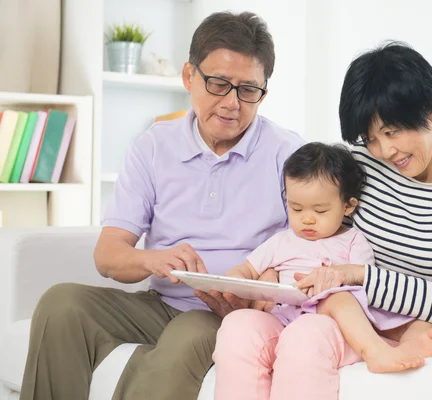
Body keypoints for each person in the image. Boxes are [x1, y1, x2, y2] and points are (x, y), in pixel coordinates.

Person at [19, 11, 304, 400]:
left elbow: (311, 246)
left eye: (248, 90)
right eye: (219, 84)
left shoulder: (289, 154)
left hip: (231, 315)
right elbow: (108, 256)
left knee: (187, 334)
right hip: (160, 302)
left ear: (263, 93)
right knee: (62, 303)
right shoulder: (153, 147)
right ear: (189, 76)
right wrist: (155, 260)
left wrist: (263, 287)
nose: (232, 103)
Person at [213, 42, 432, 399]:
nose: (385, 151)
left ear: (431, 108)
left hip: (407, 334)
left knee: (306, 339)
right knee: (239, 329)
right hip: (325, 314)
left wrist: (357, 276)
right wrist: (269, 274)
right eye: (370, 138)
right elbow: (308, 211)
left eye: (392, 132)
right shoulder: (362, 163)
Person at [214, 143, 432, 394]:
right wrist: (231, 281)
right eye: (296, 208)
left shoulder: (353, 240)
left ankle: (377, 349)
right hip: (284, 316)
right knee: (239, 324)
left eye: (320, 210)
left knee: (337, 299)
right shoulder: (281, 241)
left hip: (334, 321)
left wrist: (333, 283)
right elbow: (245, 270)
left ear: (348, 206)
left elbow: (364, 287)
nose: (307, 219)